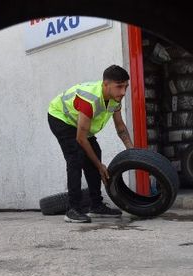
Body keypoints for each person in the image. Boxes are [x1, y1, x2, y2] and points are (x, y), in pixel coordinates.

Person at [48, 65, 134, 223]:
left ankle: (96, 206)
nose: (123, 92)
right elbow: (81, 139)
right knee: (76, 158)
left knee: (95, 153)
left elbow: (120, 127)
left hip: (80, 123)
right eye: (119, 87)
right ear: (105, 84)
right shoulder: (90, 100)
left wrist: (133, 152)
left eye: (126, 87)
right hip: (61, 118)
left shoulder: (115, 99)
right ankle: (73, 209)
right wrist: (99, 165)